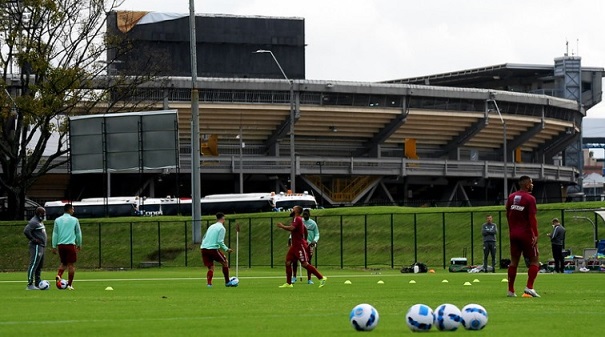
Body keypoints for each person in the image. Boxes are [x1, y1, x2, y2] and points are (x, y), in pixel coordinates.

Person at [505, 176, 540, 298]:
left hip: (513, 234)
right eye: (531, 183)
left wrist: (511, 231)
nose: (532, 185)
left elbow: (507, 215)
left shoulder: (511, 197)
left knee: (514, 261)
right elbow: (532, 218)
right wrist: (535, 234)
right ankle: (529, 287)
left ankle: (510, 290)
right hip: (526, 234)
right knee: (534, 260)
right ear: (526, 185)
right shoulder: (530, 198)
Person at [277, 205, 327, 288]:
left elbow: (292, 228)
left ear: (296, 211)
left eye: (293, 208)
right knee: (288, 262)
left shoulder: (298, 219)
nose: (291, 210)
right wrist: (305, 239)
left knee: (304, 264)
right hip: (294, 246)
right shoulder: (297, 219)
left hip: (299, 246)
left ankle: (321, 278)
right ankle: (289, 283)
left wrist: (282, 226)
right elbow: (305, 230)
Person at [51, 203, 82, 290]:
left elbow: (55, 233)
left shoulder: (57, 220)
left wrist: (54, 246)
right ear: (69, 210)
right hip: (70, 245)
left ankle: (59, 275)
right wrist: (79, 244)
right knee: (71, 265)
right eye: (72, 209)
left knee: (63, 263)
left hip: (61, 245)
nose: (73, 210)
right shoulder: (74, 220)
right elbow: (78, 233)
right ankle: (69, 284)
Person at [201, 212, 236, 287]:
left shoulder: (211, 226)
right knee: (225, 262)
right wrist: (226, 249)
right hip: (212, 249)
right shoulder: (221, 228)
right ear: (223, 218)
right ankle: (227, 282)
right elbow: (219, 241)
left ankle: (209, 284)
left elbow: (204, 237)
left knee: (211, 267)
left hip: (204, 248)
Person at [291, 208, 321, 284]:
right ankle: (294, 277)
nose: (305, 215)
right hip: (299, 244)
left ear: (309, 215)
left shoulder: (313, 223)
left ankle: (309, 279)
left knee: (308, 262)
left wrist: (315, 241)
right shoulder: (300, 221)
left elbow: (317, 234)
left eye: (307, 214)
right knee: (295, 260)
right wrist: (290, 238)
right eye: (304, 214)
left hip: (309, 244)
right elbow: (294, 232)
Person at [23, 207, 47, 290]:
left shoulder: (40, 222)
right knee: (33, 264)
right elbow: (26, 231)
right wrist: (33, 239)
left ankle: (37, 282)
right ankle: (30, 284)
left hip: (42, 246)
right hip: (36, 246)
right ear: (40, 214)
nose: (44, 215)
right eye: (43, 214)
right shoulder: (34, 221)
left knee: (39, 265)